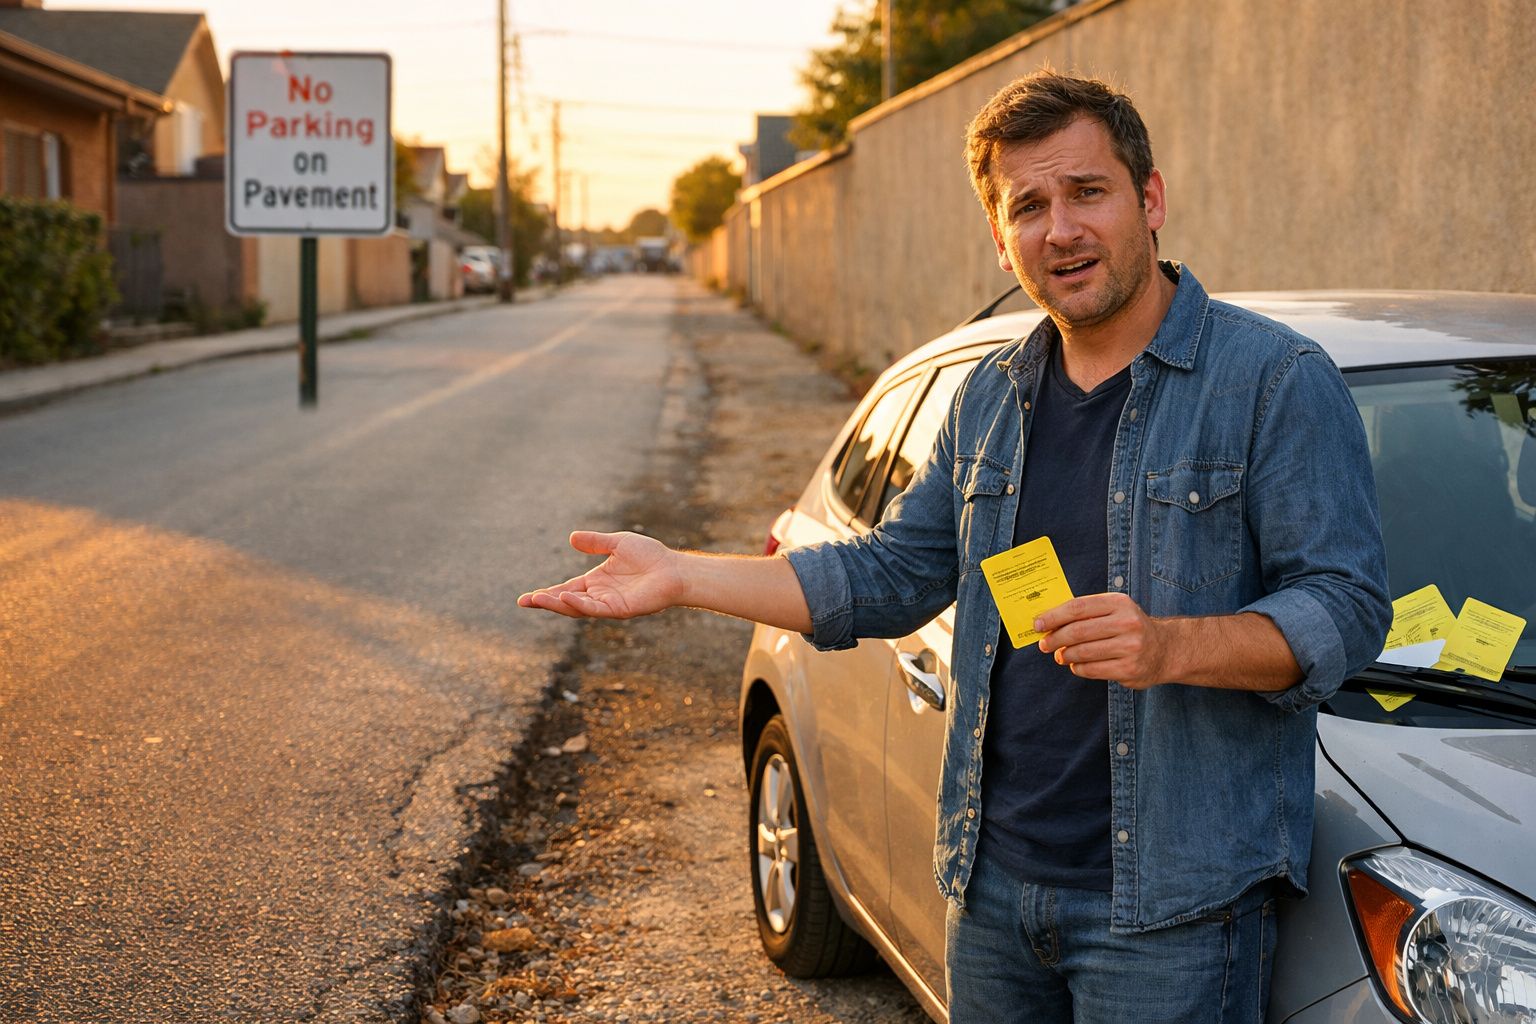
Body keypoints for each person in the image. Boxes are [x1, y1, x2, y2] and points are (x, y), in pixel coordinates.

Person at [519, 70, 1391, 1023]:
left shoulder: (1272, 382)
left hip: (1171, 915)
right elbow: (888, 574)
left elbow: (1344, 609)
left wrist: (1172, 645)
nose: (1060, 229)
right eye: (1029, 206)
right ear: (1000, 236)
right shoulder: (989, 398)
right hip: (992, 891)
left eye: (1087, 193)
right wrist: (684, 575)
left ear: (1151, 200)